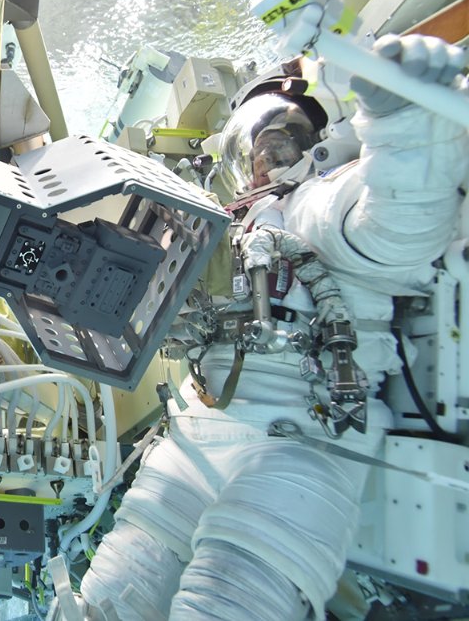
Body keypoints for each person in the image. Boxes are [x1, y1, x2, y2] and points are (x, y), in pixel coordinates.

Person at [76, 34, 468, 620]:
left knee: (224, 604)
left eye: (283, 142)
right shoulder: (207, 231)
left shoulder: (321, 202)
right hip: (197, 430)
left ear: (313, 145)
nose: (268, 159)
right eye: (259, 146)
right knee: (109, 602)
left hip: (304, 437)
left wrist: (402, 117)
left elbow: (400, 225)